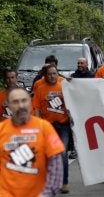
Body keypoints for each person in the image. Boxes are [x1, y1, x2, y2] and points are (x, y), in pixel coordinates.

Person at [0, 88, 65, 197]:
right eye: (15, 102)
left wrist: (47, 193)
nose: (21, 106)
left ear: (30, 102)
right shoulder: (1, 130)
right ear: (9, 106)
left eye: (24, 100)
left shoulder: (44, 127)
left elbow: (56, 164)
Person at [32, 65, 71, 194]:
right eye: (49, 74)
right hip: (47, 127)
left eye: (54, 73)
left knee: (62, 152)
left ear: (57, 74)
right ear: (45, 75)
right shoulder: (40, 89)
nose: (52, 76)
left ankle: (64, 182)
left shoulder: (64, 86)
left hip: (63, 126)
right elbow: (36, 108)